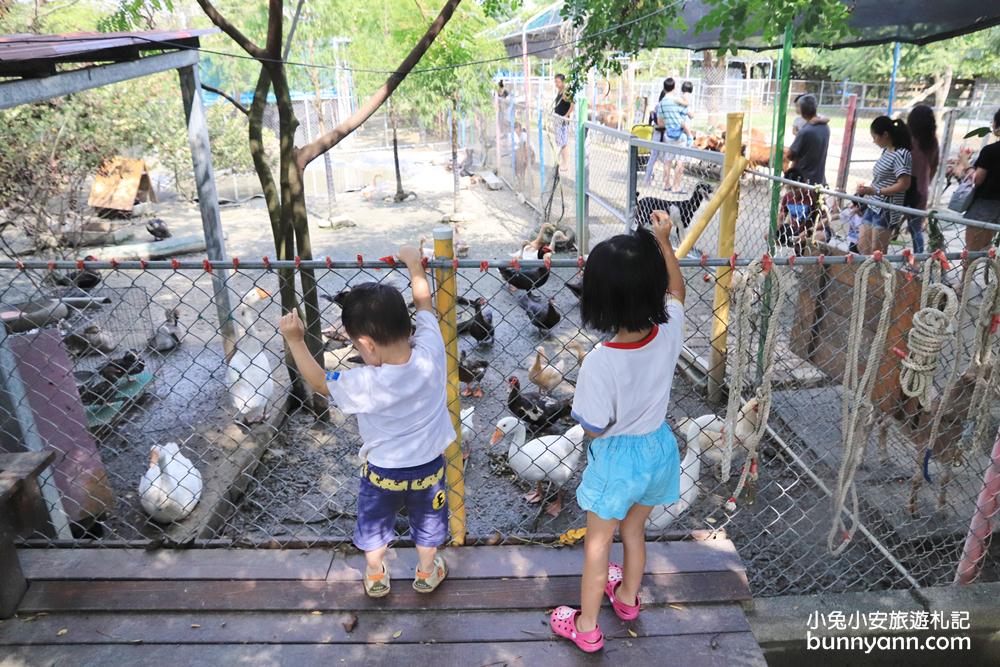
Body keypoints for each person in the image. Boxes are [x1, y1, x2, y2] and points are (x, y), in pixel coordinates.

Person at [278, 246, 453, 598]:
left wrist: (295, 341)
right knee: (429, 523)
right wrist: (415, 265)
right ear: (407, 327)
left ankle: (375, 573)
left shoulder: (365, 383)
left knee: (374, 525)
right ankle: (426, 570)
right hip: (428, 469)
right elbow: (424, 305)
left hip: (382, 473)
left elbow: (319, 381)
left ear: (365, 345)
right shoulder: (431, 353)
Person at [549, 211, 685, 653]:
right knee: (635, 532)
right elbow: (677, 292)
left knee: (597, 544)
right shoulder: (668, 330)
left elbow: (591, 424)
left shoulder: (601, 362)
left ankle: (586, 625)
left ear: (599, 300)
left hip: (617, 461)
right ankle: (626, 598)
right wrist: (664, 242)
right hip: (659, 449)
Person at [856, 116, 912, 254]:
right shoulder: (887, 151)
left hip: (886, 208)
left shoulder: (902, 154)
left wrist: (877, 191)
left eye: (875, 137)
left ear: (885, 135)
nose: (874, 141)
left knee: (877, 251)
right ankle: (863, 274)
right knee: (863, 245)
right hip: (873, 204)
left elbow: (904, 184)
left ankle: (876, 275)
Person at [906, 105, 940, 254]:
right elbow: (934, 166)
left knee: (887, 224)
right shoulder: (932, 142)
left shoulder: (906, 139)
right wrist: (926, 182)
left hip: (902, 187)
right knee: (916, 229)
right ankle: (918, 261)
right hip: (920, 189)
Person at [965, 108, 1000, 253]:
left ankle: (967, 276)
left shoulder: (991, 150)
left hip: (984, 206)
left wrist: (965, 164)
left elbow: (977, 180)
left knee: (971, 252)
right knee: (987, 250)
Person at [645, 78, 688, 193]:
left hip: (668, 135)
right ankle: (676, 186)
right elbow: (686, 108)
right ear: (674, 87)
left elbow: (659, 122)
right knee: (680, 160)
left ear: (664, 88)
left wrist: (668, 122)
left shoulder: (661, 104)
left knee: (667, 160)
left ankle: (666, 184)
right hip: (679, 133)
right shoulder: (676, 100)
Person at [786, 94, 830, 186]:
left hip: (803, 179)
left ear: (802, 110)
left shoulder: (805, 131)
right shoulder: (825, 127)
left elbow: (790, 155)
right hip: (819, 178)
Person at [553, 73, 574, 171]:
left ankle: (566, 164)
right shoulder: (559, 91)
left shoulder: (566, 92)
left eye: (558, 82)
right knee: (561, 142)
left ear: (563, 82)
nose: (556, 84)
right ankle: (563, 162)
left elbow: (572, 105)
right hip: (558, 119)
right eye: (555, 82)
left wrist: (565, 116)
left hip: (563, 121)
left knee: (564, 143)